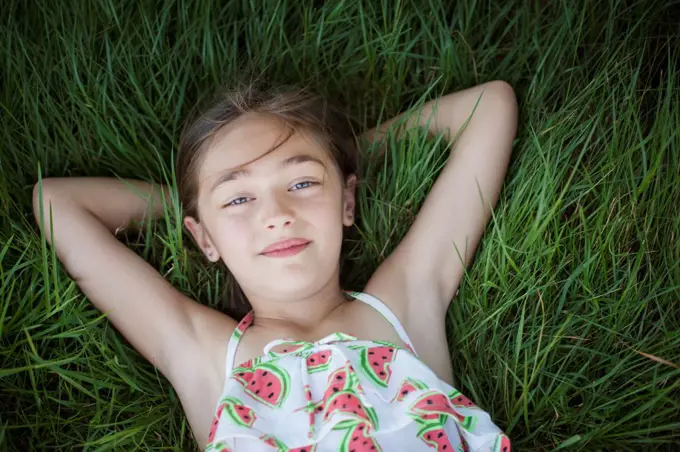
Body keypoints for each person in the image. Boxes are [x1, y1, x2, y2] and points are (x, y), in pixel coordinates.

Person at [33, 80, 517, 451]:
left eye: (303, 183)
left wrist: (343, 160)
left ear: (347, 202)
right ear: (203, 238)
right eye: (240, 198)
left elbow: (490, 105)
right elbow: (56, 201)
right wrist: (197, 209)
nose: (276, 215)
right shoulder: (201, 350)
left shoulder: (405, 302)